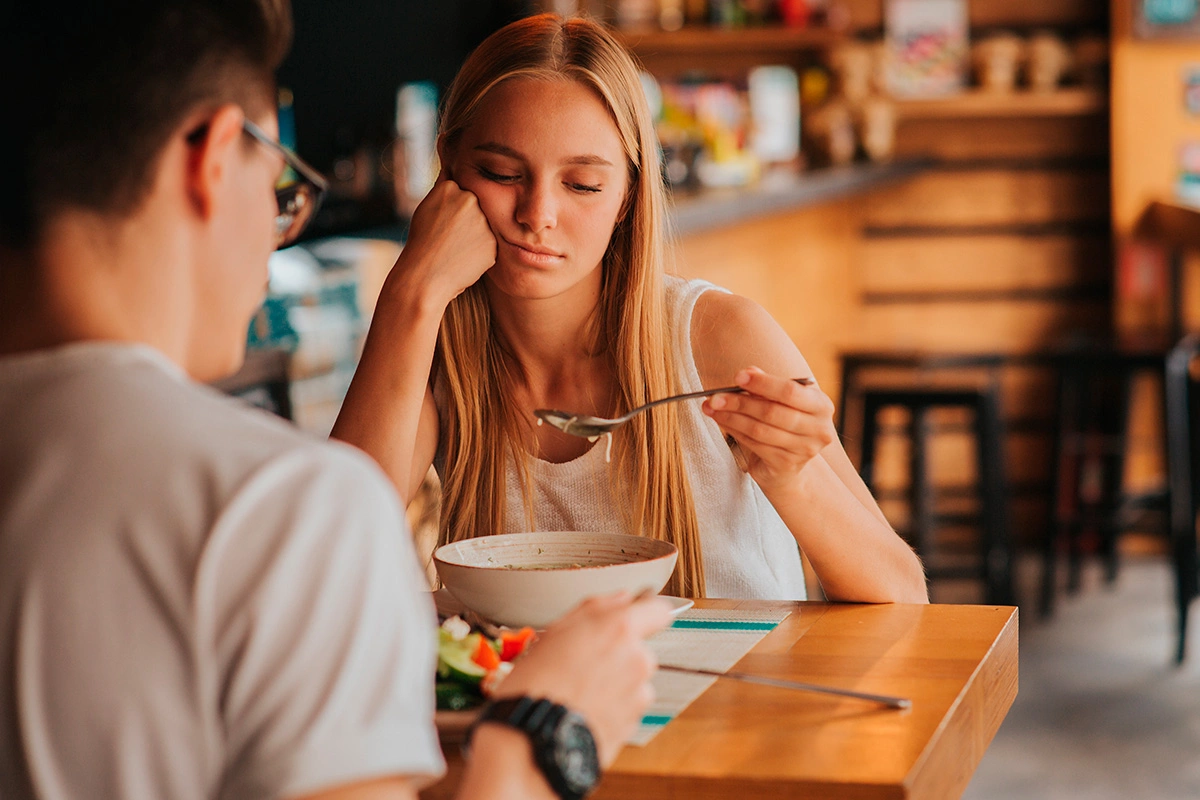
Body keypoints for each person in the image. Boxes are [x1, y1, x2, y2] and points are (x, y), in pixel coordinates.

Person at [0, 3, 672, 800]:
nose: (280, 224)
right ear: (216, 158)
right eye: (281, 175)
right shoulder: (277, 507)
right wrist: (538, 736)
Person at [332, 14, 928, 605]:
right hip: (540, 702)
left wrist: (793, 477)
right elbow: (327, 557)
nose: (538, 213)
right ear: (449, 170)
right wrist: (410, 290)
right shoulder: (436, 358)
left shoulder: (719, 339)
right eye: (501, 173)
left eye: (583, 185)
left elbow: (903, 597)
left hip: (737, 695)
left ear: (625, 197)